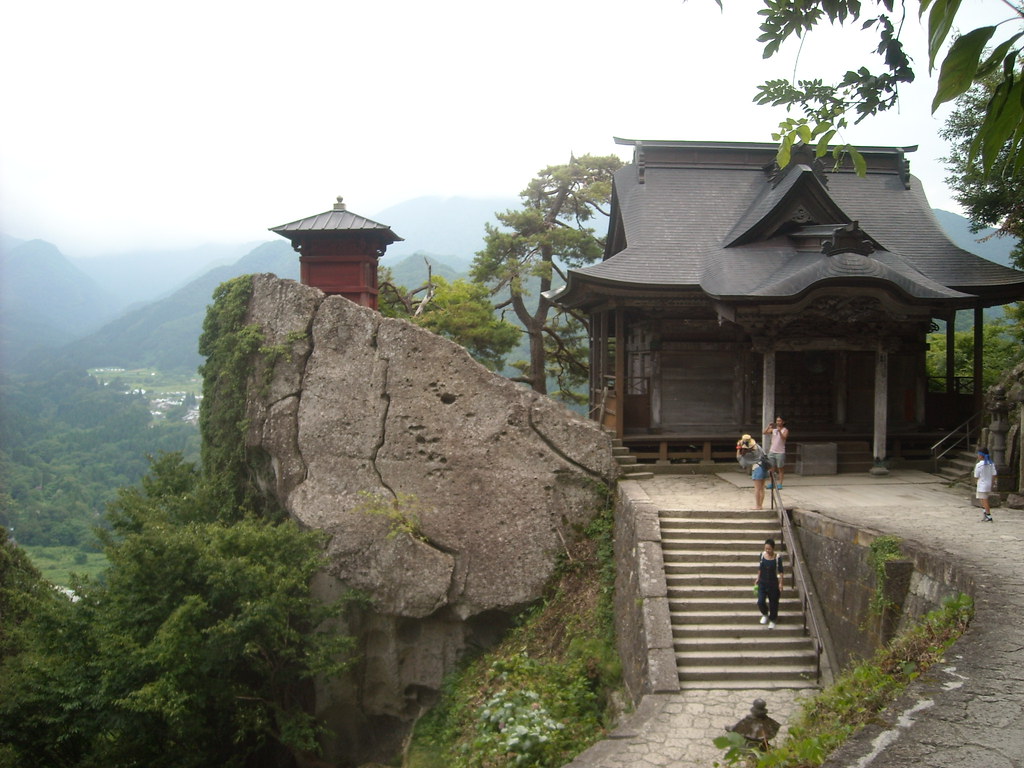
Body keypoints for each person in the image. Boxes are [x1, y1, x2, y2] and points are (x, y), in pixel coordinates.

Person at [754, 538, 784, 629]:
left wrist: (781, 583)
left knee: (773, 603)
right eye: (766, 548)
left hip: (773, 583)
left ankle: (773, 619)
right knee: (760, 601)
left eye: (769, 549)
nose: (767, 550)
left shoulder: (777, 558)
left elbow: (780, 572)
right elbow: (760, 568)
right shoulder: (762, 556)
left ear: (773, 548)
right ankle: (765, 613)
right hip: (762, 582)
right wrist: (758, 578)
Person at [736, 434, 768, 510]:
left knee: (757, 488)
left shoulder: (750, 454)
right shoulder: (757, 447)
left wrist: (738, 449)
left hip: (757, 467)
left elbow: (739, 459)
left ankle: (758, 505)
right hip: (764, 466)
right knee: (762, 488)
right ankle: (760, 504)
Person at [763, 417, 789, 488]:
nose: (778, 422)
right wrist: (769, 426)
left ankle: (780, 483)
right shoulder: (774, 430)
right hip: (772, 451)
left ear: (783, 422)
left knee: (780, 468)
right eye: (777, 421)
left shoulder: (785, 430)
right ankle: (772, 483)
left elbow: (783, 437)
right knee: (771, 468)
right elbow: (764, 432)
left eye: (780, 421)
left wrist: (779, 431)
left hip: (780, 452)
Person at [974, 449, 997, 522]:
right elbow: (994, 475)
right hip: (988, 484)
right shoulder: (991, 464)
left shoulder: (979, 465)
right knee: (982, 499)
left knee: (984, 500)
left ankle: (988, 515)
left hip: (982, 484)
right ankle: (985, 514)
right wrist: (992, 483)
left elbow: (976, 476)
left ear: (981, 455)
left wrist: (976, 483)